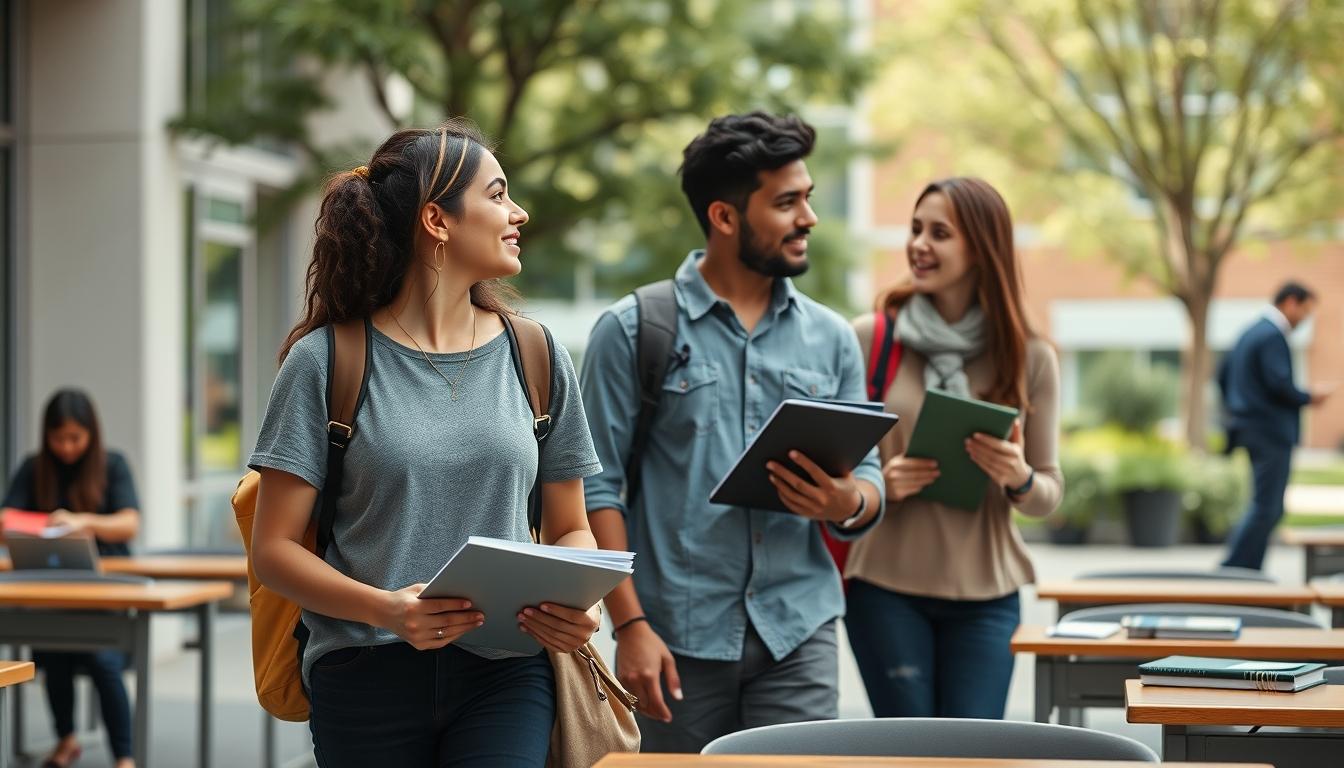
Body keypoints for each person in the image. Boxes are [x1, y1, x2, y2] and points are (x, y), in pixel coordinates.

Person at [248, 121, 603, 767]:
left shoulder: (538, 354)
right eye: (497, 195)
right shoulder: (326, 362)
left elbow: (572, 526)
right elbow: (272, 550)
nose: (517, 212)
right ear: (437, 220)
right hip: (364, 673)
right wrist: (386, 610)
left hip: (507, 673)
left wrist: (574, 603)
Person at [579, 112, 885, 752]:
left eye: (807, 197)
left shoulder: (831, 338)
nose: (809, 218)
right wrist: (629, 625)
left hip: (798, 630)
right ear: (724, 217)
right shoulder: (634, 331)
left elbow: (869, 480)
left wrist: (845, 502)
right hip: (672, 640)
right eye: (787, 202)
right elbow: (596, 490)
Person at [843, 177, 1062, 719]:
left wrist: (1019, 478)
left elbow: (1049, 493)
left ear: (982, 247)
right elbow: (834, 472)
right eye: (916, 229)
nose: (919, 244)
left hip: (987, 596)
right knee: (910, 755)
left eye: (940, 233)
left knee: (973, 754)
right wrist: (877, 484)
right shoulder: (870, 339)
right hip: (882, 589)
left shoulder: (1029, 356)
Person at [1, 389, 140, 768]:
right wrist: (41, 525)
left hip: (104, 594)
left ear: (91, 434)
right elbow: (5, 520)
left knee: (103, 661)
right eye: (58, 438)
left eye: (75, 438)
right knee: (52, 655)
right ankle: (66, 739)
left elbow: (129, 523)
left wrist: (82, 522)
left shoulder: (112, 465)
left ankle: (124, 757)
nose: (66, 447)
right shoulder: (34, 468)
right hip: (50, 590)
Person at [1218, 281, 1331, 571]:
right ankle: (1234, 570)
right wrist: (1310, 396)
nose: (1305, 319)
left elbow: (1222, 375)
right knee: (1266, 506)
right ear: (1291, 302)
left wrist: (1238, 407)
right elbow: (1279, 384)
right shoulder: (1271, 336)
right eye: (1305, 311)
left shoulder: (1250, 332)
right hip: (1269, 430)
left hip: (1250, 427)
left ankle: (1246, 570)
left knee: (1266, 505)